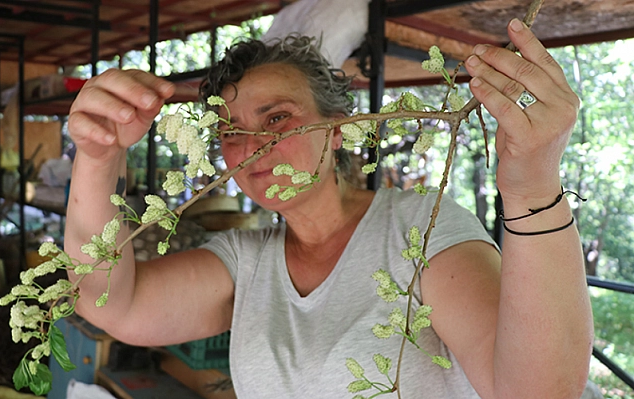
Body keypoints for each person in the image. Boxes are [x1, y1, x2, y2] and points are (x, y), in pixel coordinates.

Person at [65, 18, 593, 399]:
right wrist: (97, 155)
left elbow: (538, 391)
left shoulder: (420, 230)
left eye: (276, 118)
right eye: (230, 131)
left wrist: (532, 188)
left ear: (337, 130)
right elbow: (112, 304)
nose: (250, 146)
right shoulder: (246, 262)